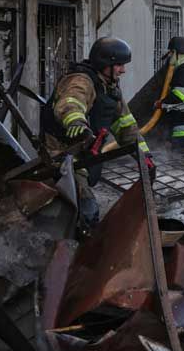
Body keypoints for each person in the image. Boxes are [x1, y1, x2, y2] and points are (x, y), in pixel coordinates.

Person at [43, 36, 155, 224]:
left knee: (83, 205)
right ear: (105, 63)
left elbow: (126, 126)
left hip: (87, 154)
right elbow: (70, 104)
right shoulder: (81, 81)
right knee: (86, 210)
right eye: (119, 65)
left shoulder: (109, 88)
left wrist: (144, 156)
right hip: (63, 154)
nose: (123, 70)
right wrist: (76, 123)